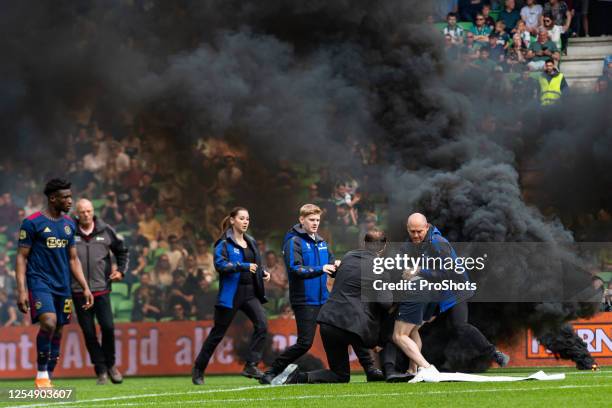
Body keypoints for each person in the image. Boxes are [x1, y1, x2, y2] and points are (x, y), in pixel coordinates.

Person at [260, 204, 383, 384]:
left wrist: (337, 265)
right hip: (304, 300)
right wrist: (322, 269)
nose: (315, 223)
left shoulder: (321, 241)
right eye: (311, 220)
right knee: (305, 343)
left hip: (325, 298)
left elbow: (331, 261)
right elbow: (295, 269)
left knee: (352, 327)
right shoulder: (293, 241)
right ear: (302, 220)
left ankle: (370, 369)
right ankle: (271, 372)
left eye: (317, 220)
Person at [399, 213, 509, 373]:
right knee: (412, 328)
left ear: (427, 227)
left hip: (456, 290)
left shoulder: (439, 243)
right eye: (412, 231)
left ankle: (495, 354)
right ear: (407, 229)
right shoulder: (414, 242)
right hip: (438, 292)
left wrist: (419, 271)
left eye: (419, 232)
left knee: (461, 326)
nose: (415, 235)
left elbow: (448, 274)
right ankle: (413, 369)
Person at [16, 179, 94, 388]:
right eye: (65, 197)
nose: (70, 201)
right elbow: (21, 257)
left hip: (63, 285)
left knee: (58, 330)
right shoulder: (32, 223)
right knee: (48, 322)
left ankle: (47, 377)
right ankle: (41, 374)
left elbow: (73, 259)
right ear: (52, 198)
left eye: (70, 196)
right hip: (39, 282)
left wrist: (85, 287)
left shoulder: (69, 224)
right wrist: (22, 290)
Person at [192, 207, 271, 385]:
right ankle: (198, 368)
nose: (245, 222)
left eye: (247, 219)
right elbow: (220, 266)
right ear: (233, 220)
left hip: (250, 292)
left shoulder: (251, 242)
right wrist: (243, 266)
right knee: (217, 334)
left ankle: (251, 364)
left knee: (262, 325)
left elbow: (256, 265)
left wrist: (263, 273)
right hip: (231, 294)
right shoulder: (223, 243)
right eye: (242, 218)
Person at [72, 198, 128, 385]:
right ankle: (101, 370)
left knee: (108, 328)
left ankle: (111, 365)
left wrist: (120, 270)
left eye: (89, 211)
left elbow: (122, 251)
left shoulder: (106, 230)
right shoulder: (68, 232)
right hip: (78, 292)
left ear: (93, 211)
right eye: (82, 212)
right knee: (88, 333)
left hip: (101, 290)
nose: (86, 215)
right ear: (76, 214)